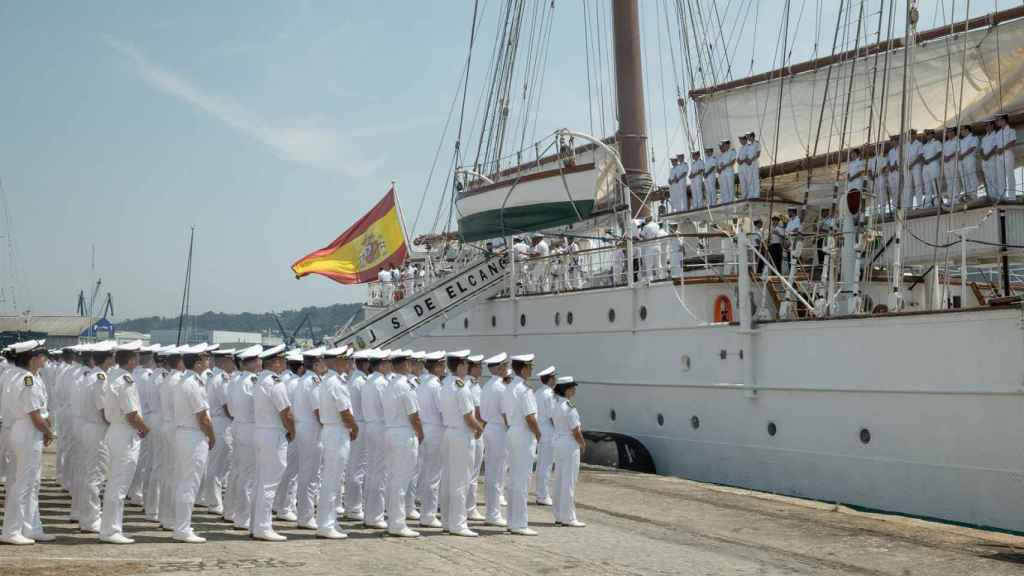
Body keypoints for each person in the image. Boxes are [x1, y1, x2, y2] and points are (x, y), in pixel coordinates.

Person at [1, 340, 56, 545]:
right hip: (27, 429)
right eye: (43, 355)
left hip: (23, 429)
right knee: (22, 483)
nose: (46, 359)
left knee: (30, 482)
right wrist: (49, 432)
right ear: (33, 358)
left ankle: (31, 527)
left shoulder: (25, 376)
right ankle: (11, 530)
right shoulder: (27, 380)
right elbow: (34, 414)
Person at [99, 341, 150, 544]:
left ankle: (111, 528)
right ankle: (111, 530)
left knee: (115, 482)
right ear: (131, 360)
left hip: (115, 430)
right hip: (125, 432)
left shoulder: (113, 376)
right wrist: (145, 429)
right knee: (119, 484)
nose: (138, 360)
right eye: (136, 357)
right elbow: (132, 414)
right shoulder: (125, 381)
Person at [172, 343, 216, 543]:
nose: (209, 361)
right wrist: (212, 436)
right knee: (189, 484)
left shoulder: (184, 381)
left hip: (185, 434)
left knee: (185, 482)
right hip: (193, 435)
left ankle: (181, 525)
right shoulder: (193, 384)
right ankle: (183, 528)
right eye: (206, 358)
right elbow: (203, 417)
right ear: (198, 363)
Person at [251, 344, 295, 542]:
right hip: (273, 434)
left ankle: (257, 524)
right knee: (269, 482)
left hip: (261, 432)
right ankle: (263, 527)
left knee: (261, 482)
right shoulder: (275, 382)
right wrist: (292, 431)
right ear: (276, 362)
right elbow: (286, 412)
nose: (284, 364)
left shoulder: (261, 379)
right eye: (282, 360)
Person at [439, 350, 484, 537]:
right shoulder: (461, 387)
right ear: (459, 366)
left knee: (449, 479)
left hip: (449, 432)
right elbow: (468, 416)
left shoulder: (445, 384)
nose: (467, 368)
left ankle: (448, 521)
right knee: (461, 480)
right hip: (462, 434)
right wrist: (479, 429)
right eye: (465, 364)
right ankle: (458, 523)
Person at [316, 346, 358, 539]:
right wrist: (355, 428)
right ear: (336, 362)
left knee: (333, 478)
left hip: (331, 430)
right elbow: (345, 412)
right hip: (337, 431)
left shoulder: (328, 380)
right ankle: (325, 524)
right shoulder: (336, 383)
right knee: (332, 480)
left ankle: (330, 521)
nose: (349, 364)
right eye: (345, 360)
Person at [382, 350, 424, 537]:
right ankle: (397, 524)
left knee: (393, 479)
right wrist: (420, 433)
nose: (412, 366)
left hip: (391, 431)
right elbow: (414, 415)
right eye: (410, 363)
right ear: (405, 365)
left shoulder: (390, 384)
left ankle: (394, 520)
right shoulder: (406, 386)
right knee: (402, 480)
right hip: (404, 433)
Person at [77, 340, 116, 534]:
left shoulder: (91, 376)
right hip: (98, 429)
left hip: (89, 427)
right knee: (96, 475)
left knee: (90, 474)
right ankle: (92, 519)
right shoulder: (100, 378)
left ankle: (86, 517)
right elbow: (104, 412)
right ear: (107, 359)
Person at [503, 353, 542, 536]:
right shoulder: (524, 390)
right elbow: (530, 418)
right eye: (530, 367)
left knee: (514, 479)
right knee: (522, 479)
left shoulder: (509, 387)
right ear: (524, 368)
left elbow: (504, 414)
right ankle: (519, 523)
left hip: (512, 430)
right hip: (524, 433)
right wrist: (539, 435)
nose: (532, 370)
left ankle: (512, 521)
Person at [227, 345, 262, 531]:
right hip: (249, 427)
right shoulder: (252, 381)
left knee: (239, 473)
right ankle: (243, 518)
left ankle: (233, 512)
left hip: (238, 425)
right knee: (249, 476)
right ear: (255, 362)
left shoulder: (236, 380)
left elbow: (230, 407)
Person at [291, 347, 326, 530]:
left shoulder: (304, 380)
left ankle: (305, 514)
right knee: (310, 474)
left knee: (309, 473)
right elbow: (319, 410)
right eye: (322, 361)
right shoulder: (313, 381)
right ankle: (306, 516)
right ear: (316, 363)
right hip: (311, 429)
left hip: (305, 428)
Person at [198, 348, 234, 516]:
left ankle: (206, 497)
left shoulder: (212, 376)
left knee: (214, 464)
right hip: (222, 422)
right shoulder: (222, 379)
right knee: (218, 466)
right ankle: (214, 502)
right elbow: (228, 407)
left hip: (217, 421)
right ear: (225, 361)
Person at [415, 350, 445, 528]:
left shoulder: (421, 383)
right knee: (433, 475)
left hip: (425, 429)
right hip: (436, 430)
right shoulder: (435, 386)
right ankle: (429, 514)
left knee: (426, 472)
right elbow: (443, 412)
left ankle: (426, 511)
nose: (443, 368)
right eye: (442, 365)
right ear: (438, 366)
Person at [360, 348, 390, 529]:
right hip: (380, 427)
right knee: (380, 473)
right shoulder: (382, 383)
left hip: (370, 426)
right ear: (383, 364)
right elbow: (387, 408)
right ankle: (376, 515)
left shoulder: (368, 381)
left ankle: (370, 512)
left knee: (371, 471)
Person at [273, 350, 304, 522]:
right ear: (299, 368)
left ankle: (279, 504)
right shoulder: (295, 383)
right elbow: (291, 411)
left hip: (279, 428)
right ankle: (285, 507)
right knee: (291, 472)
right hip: (293, 427)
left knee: (283, 469)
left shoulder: (280, 380)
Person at [551, 376, 586, 528]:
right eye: (572, 387)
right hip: (569, 444)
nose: (574, 390)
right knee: (569, 481)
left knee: (559, 479)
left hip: (558, 442)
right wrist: (582, 444)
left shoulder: (557, 404)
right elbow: (575, 430)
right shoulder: (569, 407)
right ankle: (569, 517)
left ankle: (559, 515)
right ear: (566, 389)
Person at [479, 352, 509, 526]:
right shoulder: (501, 388)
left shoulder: (488, 386)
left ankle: (492, 511)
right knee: (497, 474)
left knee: (492, 472)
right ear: (499, 368)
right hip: (500, 430)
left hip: (489, 427)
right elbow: (506, 414)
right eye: (505, 366)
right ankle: (493, 514)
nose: (507, 369)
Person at [342, 349, 370, 521]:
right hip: (361, 424)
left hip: (356, 424)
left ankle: (352, 506)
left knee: (354, 467)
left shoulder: (354, 380)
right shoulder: (360, 382)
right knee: (358, 468)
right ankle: (354, 507)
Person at [533, 365, 557, 507]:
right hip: (548, 430)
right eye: (554, 377)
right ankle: (543, 495)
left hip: (540, 429)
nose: (556, 379)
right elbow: (553, 417)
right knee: (546, 464)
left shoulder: (538, 393)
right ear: (550, 379)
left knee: (541, 463)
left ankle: (540, 493)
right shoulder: (550, 395)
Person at [997, 113, 1017, 200]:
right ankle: (1002, 195)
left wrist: (1003, 149)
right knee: (1000, 176)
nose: (999, 122)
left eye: (1001, 120)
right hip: (999, 155)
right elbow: (996, 145)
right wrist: (997, 150)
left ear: (1005, 120)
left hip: (1008, 154)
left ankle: (1012, 196)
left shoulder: (1011, 130)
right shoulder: (998, 133)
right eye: (998, 120)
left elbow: (1012, 141)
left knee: (1010, 175)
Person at [958, 125, 981, 200]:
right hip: (962, 160)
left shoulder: (973, 138)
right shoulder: (961, 140)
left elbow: (972, 148)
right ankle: (967, 194)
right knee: (964, 177)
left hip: (969, 159)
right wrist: (959, 156)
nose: (961, 131)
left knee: (971, 176)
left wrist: (963, 155)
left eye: (962, 129)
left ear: (967, 130)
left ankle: (974, 194)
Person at [981, 119, 1001, 200]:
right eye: (985, 125)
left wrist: (988, 155)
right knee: (987, 179)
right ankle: (991, 196)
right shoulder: (984, 137)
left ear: (992, 125)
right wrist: (983, 156)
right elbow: (981, 149)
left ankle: (997, 196)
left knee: (994, 178)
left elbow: (996, 146)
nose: (986, 127)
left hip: (992, 159)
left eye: (987, 125)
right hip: (985, 161)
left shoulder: (996, 135)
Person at [922, 130, 942, 208]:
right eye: (926, 134)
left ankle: (938, 203)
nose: (927, 135)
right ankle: (928, 203)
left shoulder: (937, 143)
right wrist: (924, 161)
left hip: (933, 164)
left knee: (935, 183)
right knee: (927, 185)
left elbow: (939, 153)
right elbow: (922, 155)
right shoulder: (924, 145)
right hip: (925, 166)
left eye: (928, 134)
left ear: (932, 134)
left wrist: (930, 160)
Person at [942, 126, 960, 206]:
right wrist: (945, 158)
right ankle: (950, 198)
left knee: (955, 180)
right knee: (949, 182)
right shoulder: (945, 143)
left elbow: (957, 151)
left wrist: (949, 157)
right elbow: (943, 153)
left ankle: (956, 198)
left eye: (949, 131)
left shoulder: (957, 140)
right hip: (946, 163)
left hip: (953, 162)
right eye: (947, 132)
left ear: (953, 132)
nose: (948, 133)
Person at [908, 130, 925, 209]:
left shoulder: (919, 144)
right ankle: (909, 206)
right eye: (910, 134)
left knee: (918, 185)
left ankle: (919, 205)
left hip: (916, 166)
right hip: (908, 168)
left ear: (915, 135)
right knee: (908, 187)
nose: (911, 136)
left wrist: (912, 164)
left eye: (912, 134)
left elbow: (920, 155)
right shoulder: (906, 145)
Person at [717, 139, 736, 204]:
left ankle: (732, 202)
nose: (722, 147)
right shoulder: (720, 155)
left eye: (723, 145)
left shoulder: (732, 151)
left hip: (729, 172)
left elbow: (733, 162)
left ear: (727, 145)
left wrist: (724, 166)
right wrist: (718, 170)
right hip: (722, 174)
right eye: (721, 146)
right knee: (724, 188)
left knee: (730, 187)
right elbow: (718, 165)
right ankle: (726, 202)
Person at [746, 132, 762, 198]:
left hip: (754, 163)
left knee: (755, 178)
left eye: (748, 136)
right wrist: (747, 160)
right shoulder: (749, 145)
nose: (747, 138)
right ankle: (751, 194)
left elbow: (758, 154)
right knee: (750, 179)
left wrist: (751, 160)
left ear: (752, 136)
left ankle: (756, 194)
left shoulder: (757, 143)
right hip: (749, 164)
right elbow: (747, 155)